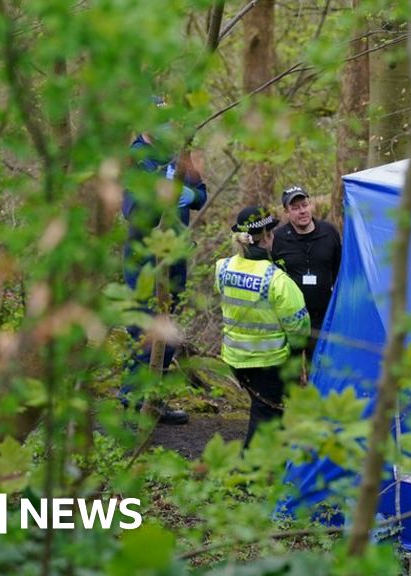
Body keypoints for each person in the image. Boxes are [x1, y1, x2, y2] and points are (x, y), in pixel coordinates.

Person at [120, 116, 207, 425]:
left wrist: (188, 194)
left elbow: (202, 195)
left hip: (176, 258)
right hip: (145, 261)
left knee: (168, 331)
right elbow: (133, 212)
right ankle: (132, 403)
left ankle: (152, 399)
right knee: (144, 330)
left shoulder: (177, 153)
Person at [216, 206, 311, 447]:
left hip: (234, 358)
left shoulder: (223, 268)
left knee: (263, 410)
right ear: (267, 236)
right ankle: (251, 471)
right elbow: (299, 329)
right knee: (266, 416)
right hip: (268, 362)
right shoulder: (277, 280)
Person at [272, 185, 342, 356]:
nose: (302, 211)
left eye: (304, 205)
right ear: (286, 212)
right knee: (292, 371)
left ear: (310, 205)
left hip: (323, 316)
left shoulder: (329, 231)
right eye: (295, 208)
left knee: (318, 367)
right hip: (292, 319)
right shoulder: (279, 238)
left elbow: (340, 271)